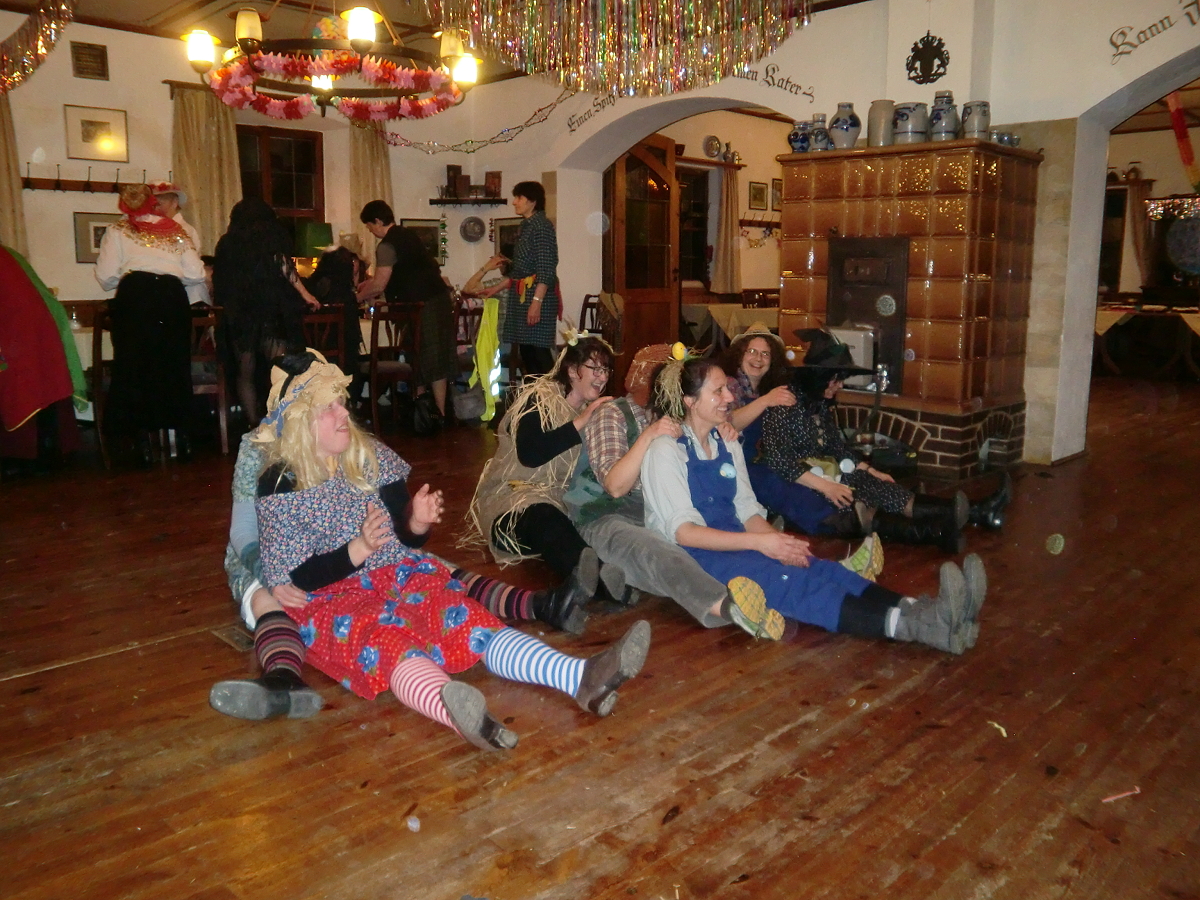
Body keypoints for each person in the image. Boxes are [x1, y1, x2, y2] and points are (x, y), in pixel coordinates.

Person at [209, 351, 650, 749]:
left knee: (465, 615)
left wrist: (416, 522)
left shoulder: (368, 455)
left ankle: (579, 676)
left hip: (397, 571)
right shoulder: (279, 481)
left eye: (342, 401)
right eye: (330, 407)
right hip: (331, 597)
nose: (344, 412)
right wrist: (358, 549)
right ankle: (454, 711)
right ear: (302, 421)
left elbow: (405, 535)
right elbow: (298, 576)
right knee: (387, 641)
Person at [641, 354, 988, 654]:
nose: (730, 397)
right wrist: (762, 544)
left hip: (740, 542)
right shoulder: (666, 450)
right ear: (690, 400)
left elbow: (746, 508)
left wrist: (778, 543)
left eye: (727, 389)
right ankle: (923, 628)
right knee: (795, 585)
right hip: (700, 559)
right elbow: (683, 533)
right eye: (718, 391)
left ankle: (926, 610)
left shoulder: (727, 442)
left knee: (818, 567)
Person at [563, 343, 883, 637]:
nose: (663, 379)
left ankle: (824, 570)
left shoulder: (670, 415)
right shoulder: (613, 412)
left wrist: (720, 429)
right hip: (605, 513)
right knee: (662, 552)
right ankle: (731, 607)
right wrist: (649, 436)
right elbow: (614, 487)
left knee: (724, 534)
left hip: (649, 509)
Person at [758, 329, 1010, 551]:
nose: (840, 385)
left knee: (881, 487)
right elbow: (779, 461)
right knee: (856, 505)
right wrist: (826, 487)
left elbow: (835, 447)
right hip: (800, 481)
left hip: (829, 472)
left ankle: (977, 513)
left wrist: (869, 470)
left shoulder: (818, 403)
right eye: (836, 379)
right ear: (818, 377)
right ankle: (940, 532)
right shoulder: (785, 403)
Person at [468, 334, 631, 605]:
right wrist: (581, 421)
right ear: (572, 370)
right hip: (511, 504)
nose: (602, 377)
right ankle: (604, 583)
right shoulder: (538, 398)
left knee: (585, 521)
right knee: (543, 516)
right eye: (595, 368)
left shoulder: (592, 412)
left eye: (606, 370)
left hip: (560, 504)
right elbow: (531, 454)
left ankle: (602, 575)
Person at [94, 183, 206, 465]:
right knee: (174, 365)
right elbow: (196, 273)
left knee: (133, 365)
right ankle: (182, 437)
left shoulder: (118, 230)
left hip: (136, 297)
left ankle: (139, 442)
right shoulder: (175, 230)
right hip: (171, 298)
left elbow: (106, 276)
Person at [212, 197, 319, 423]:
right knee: (280, 370)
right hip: (271, 309)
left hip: (241, 313)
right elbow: (285, 266)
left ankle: (253, 424)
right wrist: (305, 294)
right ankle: (281, 422)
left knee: (245, 373)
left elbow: (220, 282)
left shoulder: (227, 243)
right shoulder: (273, 237)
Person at [357, 200, 456, 424]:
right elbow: (401, 272)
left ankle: (427, 414)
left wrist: (357, 297)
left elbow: (380, 285)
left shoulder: (386, 246)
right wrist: (368, 285)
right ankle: (433, 413)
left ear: (378, 221)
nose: (370, 230)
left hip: (420, 306)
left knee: (422, 357)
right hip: (438, 300)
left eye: (369, 225)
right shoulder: (408, 235)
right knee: (432, 358)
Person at [501, 181, 560, 377]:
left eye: (519, 198)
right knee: (528, 354)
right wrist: (496, 287)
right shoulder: (527, 226)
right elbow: (519, 270)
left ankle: (553, 394)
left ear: (532, 201)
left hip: (537, 296)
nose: (514, 202)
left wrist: (536, 302)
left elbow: (546, 269)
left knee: (539, 354)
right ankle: (536, 395)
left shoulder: (541, 227)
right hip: (524, 296)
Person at [149, 181, 209, 306]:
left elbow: (192, 271)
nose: (155, 208)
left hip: (189, 298)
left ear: (174, 202)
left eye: (160, 203)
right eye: (152, 204)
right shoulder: (148, 230)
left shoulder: (185, 231)